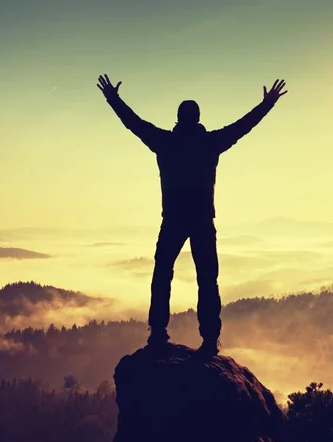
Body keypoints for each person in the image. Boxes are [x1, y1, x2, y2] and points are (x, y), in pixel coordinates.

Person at [97, 73, 288, 355]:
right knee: (207, 279)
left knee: (162, 273)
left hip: (173, 219)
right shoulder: (210, 143)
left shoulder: (165, 142)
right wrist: (267, 104)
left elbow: (133, 123)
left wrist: (113, 98)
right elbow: (243, 126)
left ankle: (158, 333)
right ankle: (210, 339)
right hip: (201, 220)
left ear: (178, 118)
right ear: (198, 119)